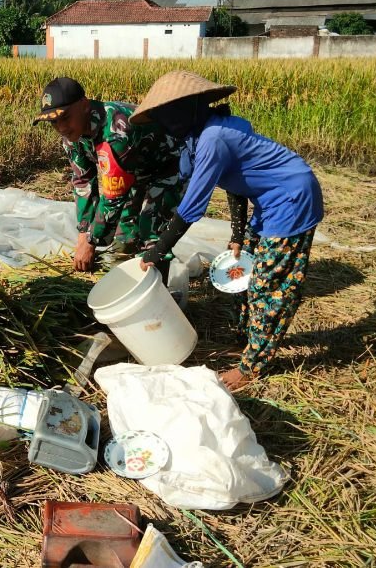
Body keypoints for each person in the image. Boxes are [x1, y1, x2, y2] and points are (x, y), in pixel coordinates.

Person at [133, 71, 324, 391]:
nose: (167, 120)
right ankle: (247, 338)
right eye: (161, 114)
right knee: (241, 271)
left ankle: (253, 366)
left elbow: (192, 206)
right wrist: (238, 234)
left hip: (290, 198)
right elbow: (236, 183)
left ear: (192, 106)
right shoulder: (201, 134)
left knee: (269, 284)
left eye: (171, 111)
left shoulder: (214, 138)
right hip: (267, 198)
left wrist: (158, 249)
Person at [33, 77, 183, 277]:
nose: (61, 127)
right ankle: (129, 282)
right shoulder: (72, 137)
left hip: (169, 166)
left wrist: (91, 242)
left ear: (84, 105)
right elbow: (83, 182)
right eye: (53, 122)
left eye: (66, 117)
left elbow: (113, 198)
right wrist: (84, 231)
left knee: (151, 235)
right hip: (135, 172)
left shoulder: (116, 131)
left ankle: (157, 297)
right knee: (125, 236)